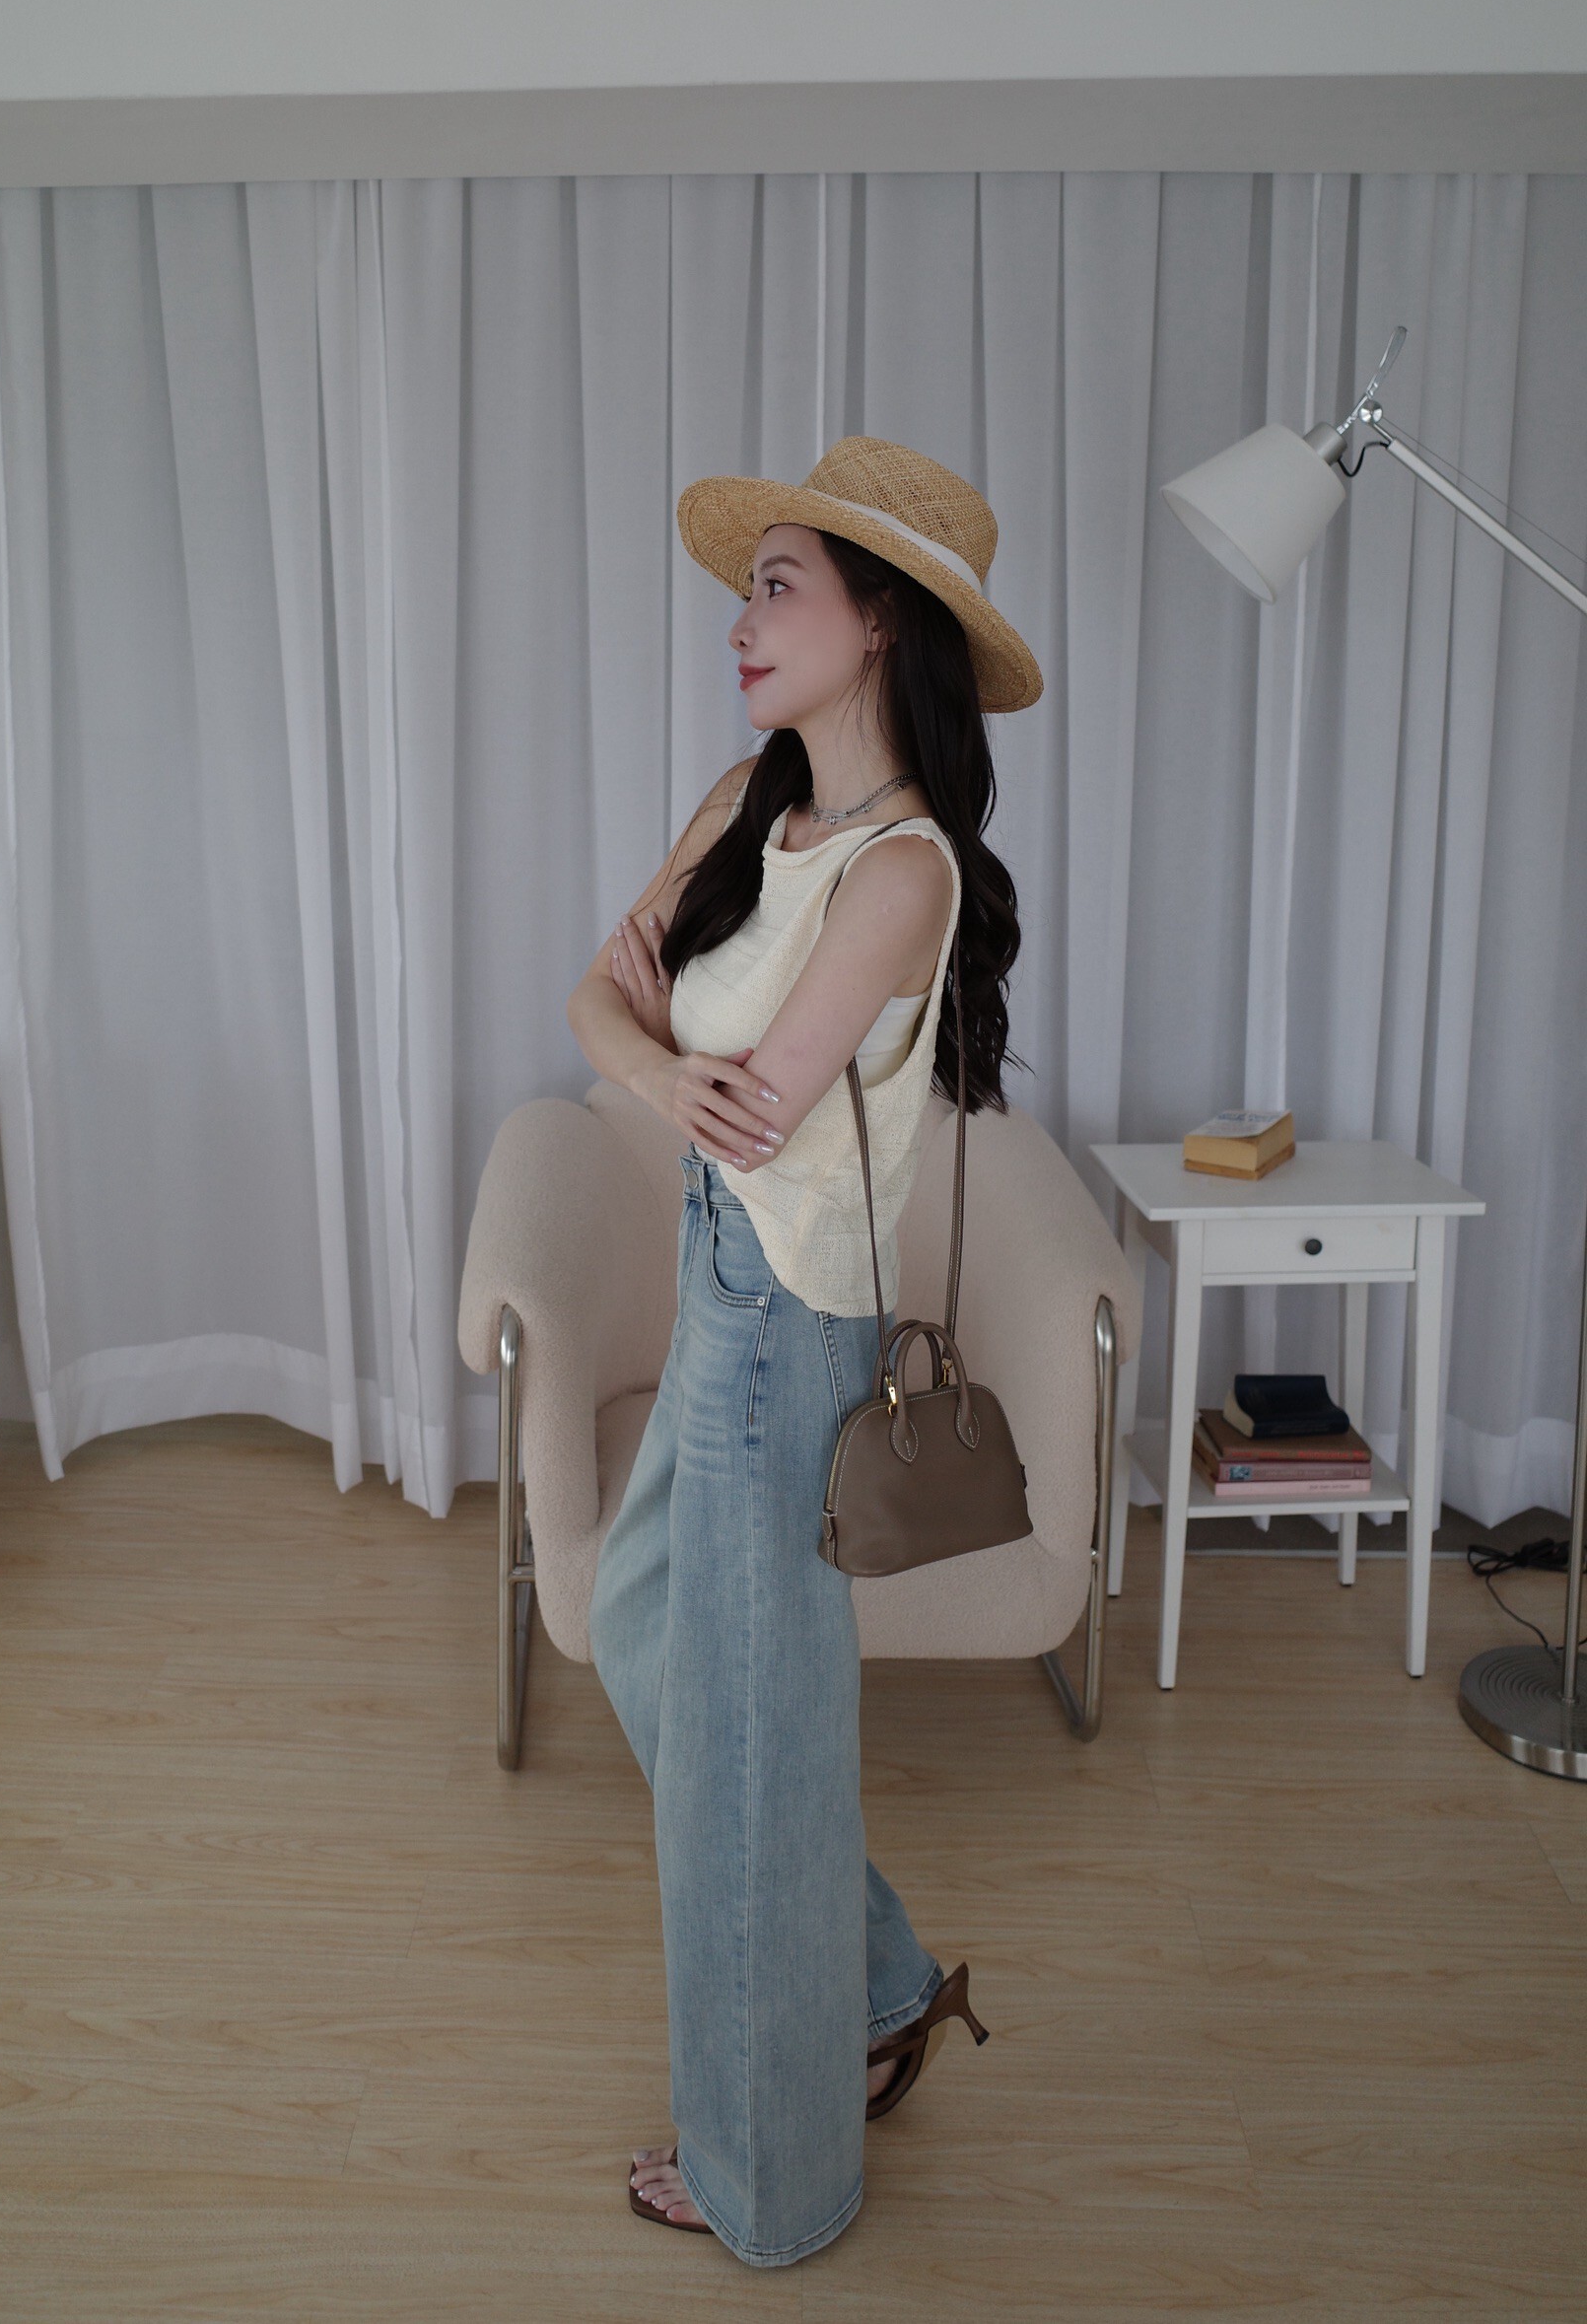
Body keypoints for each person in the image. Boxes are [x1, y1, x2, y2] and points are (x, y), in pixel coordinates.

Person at [566, 435, 1044, 2267]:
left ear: (880, 622)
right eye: (746, 586)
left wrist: (657, 1055)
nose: (740, 622)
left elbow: (751, 1103)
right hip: (720, 1281)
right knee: (643, 1632)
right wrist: (650, 1063)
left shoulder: (901, 874)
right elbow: (592, 998)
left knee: (751, 1740)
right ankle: (880, 1980)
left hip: (788, 1318)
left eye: (778, 586)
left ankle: (775, 2175)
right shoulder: (748, 804)